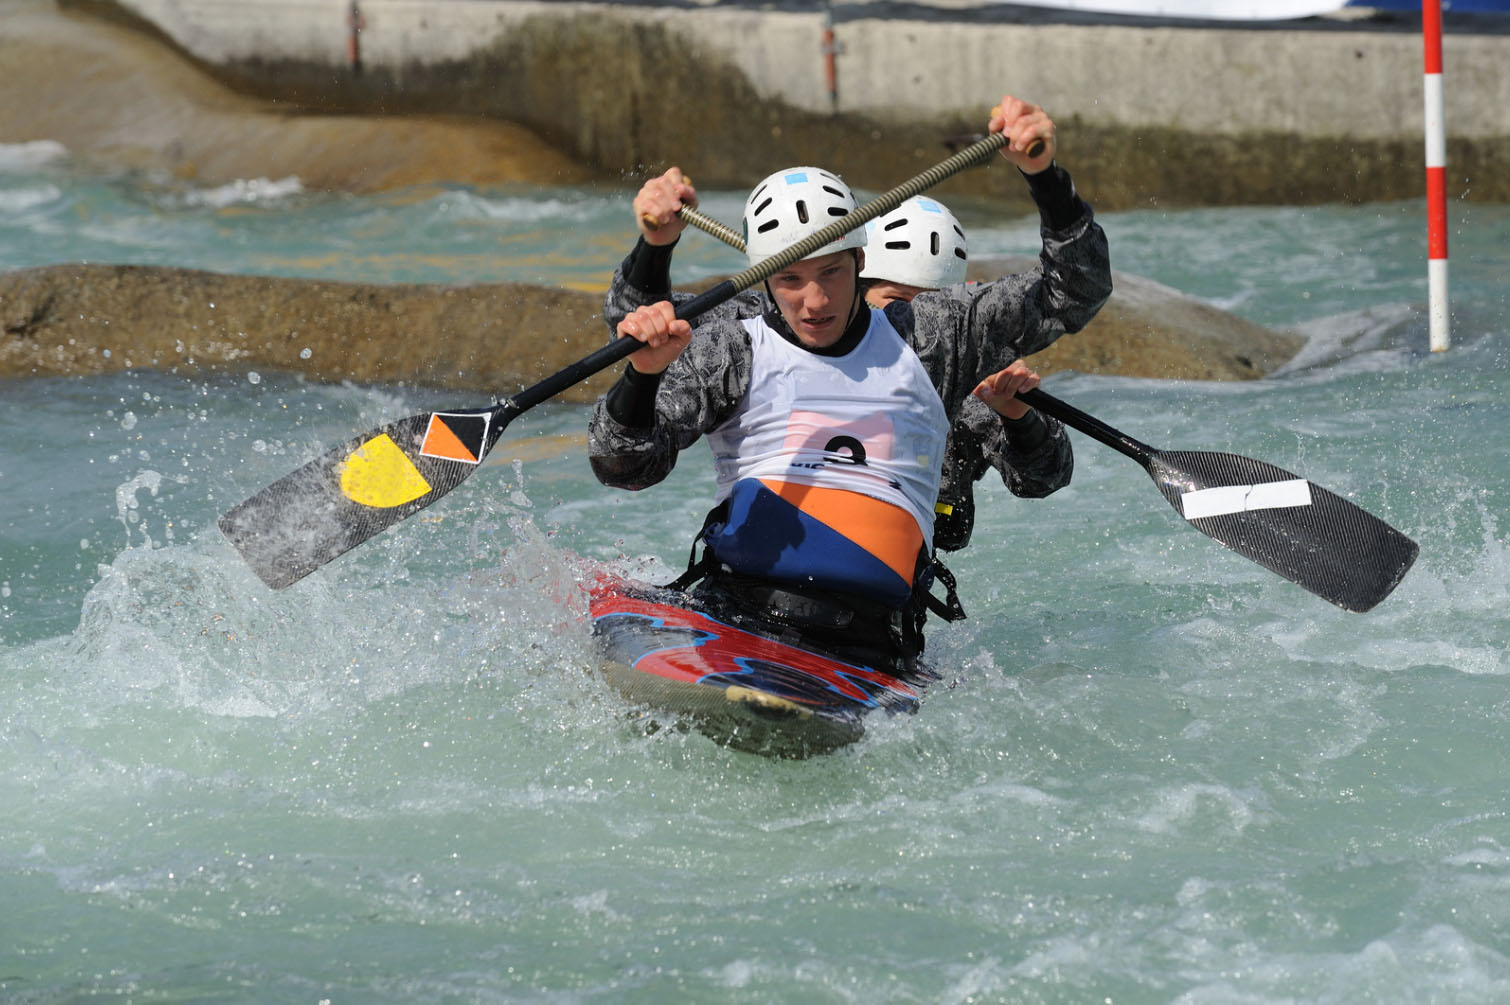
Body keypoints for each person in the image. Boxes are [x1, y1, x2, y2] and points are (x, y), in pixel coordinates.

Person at [589, 95, 1112, 666]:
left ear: (860, 259)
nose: (814, 301)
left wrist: (1044, 177)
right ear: (762, 278)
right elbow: (624, 466)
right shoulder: (731, 344)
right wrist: (642, 371)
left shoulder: (937, 337)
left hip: (877, 641)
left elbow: (1074, 292)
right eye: (789, 279)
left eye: (831, 273)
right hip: (736, 612)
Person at [615, 182, 1076, 555]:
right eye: (898, 304)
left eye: (936, 308)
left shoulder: (971, 381)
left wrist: (1018, 416)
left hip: (886, 585)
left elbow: (1045, 477)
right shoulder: (774, 323)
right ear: (858, 279)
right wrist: (655, 246)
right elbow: (634, 321)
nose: (923, 328)